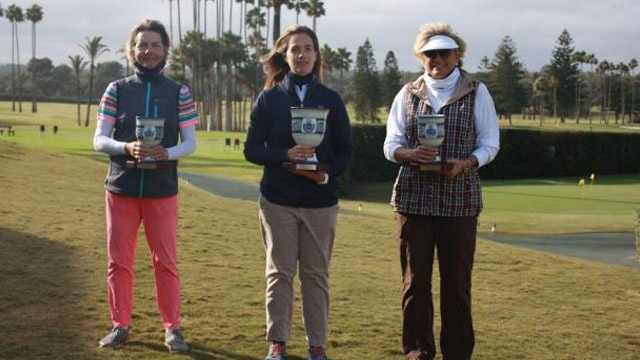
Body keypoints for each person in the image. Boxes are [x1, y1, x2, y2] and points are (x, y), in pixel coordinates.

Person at [383, 22, 500, 360]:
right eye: (430, 53)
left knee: (457, 286)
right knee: (415, 284)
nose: (437, 59)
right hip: (413, 199)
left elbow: (490, 143)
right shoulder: (407, 93)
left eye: (443, 53)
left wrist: (467, 163)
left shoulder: (478, 92)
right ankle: (418, 351)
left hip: (459, 200)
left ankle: (458, 353)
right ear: (422, 58)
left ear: (457, 56)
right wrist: (409, 154)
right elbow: (390, 144)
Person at [244, 24, 354, 360]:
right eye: (295, 49)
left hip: (320, 203)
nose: (302, 55)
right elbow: (252, 150)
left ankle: (317, 346)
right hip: (278, 200)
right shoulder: (271, 98)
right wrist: (284, 156)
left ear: (316, 54)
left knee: (316, 276)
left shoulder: (331, 100)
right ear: (284, 54)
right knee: (279, 272)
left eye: (308, 48)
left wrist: (322, 172)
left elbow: (345, 152)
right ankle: (277, 341)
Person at [92, 19, 197, 353]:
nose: (148, 51)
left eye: (154, 45)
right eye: (142, 45)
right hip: (121, 187)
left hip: (161, 189)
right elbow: (99, 139)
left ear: (166, 49)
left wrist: (165, 153)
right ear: (132, 49)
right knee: (118, 261)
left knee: (165, 262)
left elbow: (190, 142)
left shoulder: (179, 92)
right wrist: (126, 148)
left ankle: (172, 329)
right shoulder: (117, 89)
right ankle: (120, 325)